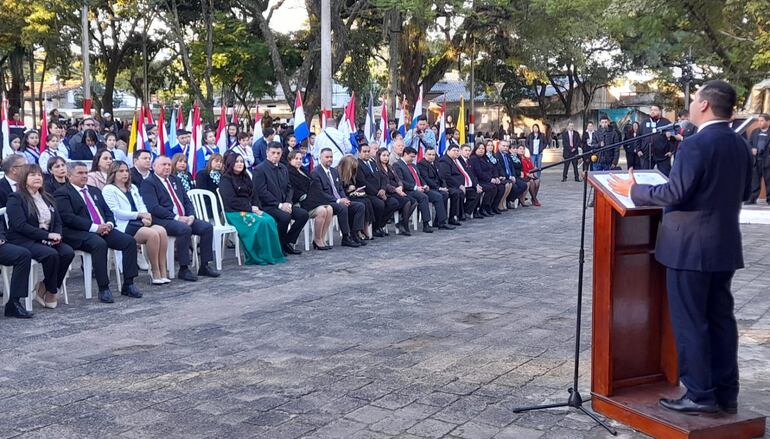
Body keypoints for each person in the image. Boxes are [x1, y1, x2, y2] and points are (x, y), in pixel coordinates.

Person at [608, 80, 751, 415]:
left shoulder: (696, 145)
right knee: (720, 320)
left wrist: (635, 189)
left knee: (690, 322)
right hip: (723, 246)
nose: (690, 104)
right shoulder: (738, 143)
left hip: (689, 247)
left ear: (703, 105)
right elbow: (744, 192)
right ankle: (725, 393)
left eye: (694, 97)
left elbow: (674, 193)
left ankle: (700, 394)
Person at [54, 162, 142, 303]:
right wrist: (95, 228)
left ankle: (129, 283)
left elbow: (107, 211)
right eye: (80, 173)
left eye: (86, 173)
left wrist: (109, 224)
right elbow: (68, 218)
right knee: (99, 244)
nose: (84, 176)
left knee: (129, 241)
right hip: (78, 232)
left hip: (103, 229)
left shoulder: (94, 190)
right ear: (69, 176)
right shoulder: (62, 193)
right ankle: (104, 288)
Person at [140, 156, 220, 282]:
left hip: (184, 218)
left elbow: (187, 200)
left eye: (168, 164)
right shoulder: (149, 183)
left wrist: (191, 215)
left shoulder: (174, 179)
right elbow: (154, 207)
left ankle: (204, 265)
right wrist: (177, 217)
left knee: (207, 227)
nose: (167, 167)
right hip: (164, 220)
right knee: (184, 229)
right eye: (163, 165)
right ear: (154, 167)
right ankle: (184, 268)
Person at [6, 164, 75, 310]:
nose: (37, 177)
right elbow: (20, 226)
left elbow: (57, 221)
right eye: (32, 175)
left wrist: (57, 235)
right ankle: (52, 291)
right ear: (24, 179)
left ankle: (46, 287)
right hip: (24, 239)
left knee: (68, 252)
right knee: (51, 255)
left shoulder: (47, 197)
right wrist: (48, 235)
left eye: (39, 175)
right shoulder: (16, 198)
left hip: (46, 238)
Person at [102, 161, 170, 284]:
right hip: (123, 224)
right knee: (152, 235)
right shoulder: (108, 189)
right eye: (121, 171)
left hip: (139, 221)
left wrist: (146, 216)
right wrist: (138, 215)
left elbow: (141, 204)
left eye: (126, 171)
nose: (125, 174)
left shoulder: (132, 187)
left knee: (161, 230)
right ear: (113, 173)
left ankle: (163, 270)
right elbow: (115, 212)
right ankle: (155, 271)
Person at [218, 153, 286, 265]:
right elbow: (230, 201)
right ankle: (259, 255)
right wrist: (250, 208)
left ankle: (272, 254)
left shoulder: (245, 177)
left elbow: (254, 195)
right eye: (237, 161)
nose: (240, 164)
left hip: (250, 209)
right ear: (230, 163)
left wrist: (256, 207)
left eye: (241, 161)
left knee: (269, 220)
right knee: (260, 222)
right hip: (234, 212)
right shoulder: (226, 179)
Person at [253, 142, 309, 255]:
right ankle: (278, 245)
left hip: (284, 204)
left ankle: (287, 242)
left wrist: (288, 202)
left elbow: (289, 188)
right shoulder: (260, 169)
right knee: (285, 217)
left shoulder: (283, 168)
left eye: (278, 153)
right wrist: (280, 205)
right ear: (267, 153)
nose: (275, 156)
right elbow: (262, 192)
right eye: (273, 153)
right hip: (268, 206)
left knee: (303, 215)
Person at [313, 148, 366, 246]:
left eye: (331, 157)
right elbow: (320, 193)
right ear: (320, 158)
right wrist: (338, 200)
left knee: (360, 206)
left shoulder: (334, 171)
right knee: (343, 207)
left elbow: (340, 188)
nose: (329, 159)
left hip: (338, 200)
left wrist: (344, 198)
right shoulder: (316, 173)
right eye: (327, 157)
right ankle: (346, 237)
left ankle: (355, 234)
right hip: (327, 202)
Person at [286, 150, 333, 250]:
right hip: (299, 202)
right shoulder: (288, 172)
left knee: (329, 209)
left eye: (300, 159)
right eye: (296, 159)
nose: (299, 161)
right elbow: (294, 191)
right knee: (322, 211)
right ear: (290, 160)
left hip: (311, 199)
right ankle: (317, 240)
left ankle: (321, 238)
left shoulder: (303, 170)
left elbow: (313, 185)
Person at [356, 143, 399, 237]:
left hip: (381, 192)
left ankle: (379, 225)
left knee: (394, 203)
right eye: (364, 151)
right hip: (369, 194)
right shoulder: (358, 165)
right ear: (359, 153)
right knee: (380, 204)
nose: (367, 153)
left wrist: (383, 189)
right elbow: (362, 182)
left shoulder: (373, 162)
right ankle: (375, 228)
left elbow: (383, 177)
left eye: (368, 151)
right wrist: (377, 193)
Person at [393, 146, 440, 233]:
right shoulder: (397, 165)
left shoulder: (413, 165)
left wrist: (425, 185)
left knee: (436, 195)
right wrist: (415, 187)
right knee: (423, 197)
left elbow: (419, 177)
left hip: (419, 188)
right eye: (411, 156)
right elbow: (401, 181)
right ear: (405, 154)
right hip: (408, 190)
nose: (413, 159)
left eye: (414, 157)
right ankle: (426, 224)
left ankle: (440, 221)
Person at [376, 148, 415, 235]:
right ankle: (405, 226)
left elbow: (398, 179)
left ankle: (401, 222)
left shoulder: (390, 166)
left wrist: (400, 187)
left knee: (414, 201)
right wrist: (396, 190)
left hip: (396, 191)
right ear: (379, 156)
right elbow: (384, 183)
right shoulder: (377, 168)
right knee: (407, 201)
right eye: (383, 155)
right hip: (387, 192)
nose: (386, 158)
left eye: (387, 155)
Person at [418, 147, 459, 227]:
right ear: (424, 154)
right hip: (429, 188)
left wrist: (444, 186)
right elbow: (426, 179)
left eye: (433, 155)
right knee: (442, 195)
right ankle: (442, 222)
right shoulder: (421, 164)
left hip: (439, 187)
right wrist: (439, 188)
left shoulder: (436, 163)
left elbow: (441, 177)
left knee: (454, 193)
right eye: (429, 154)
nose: (431, 156)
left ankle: (450, 218)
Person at [337, 155, 375, 240]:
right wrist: (348, 190)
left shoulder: (351, 174)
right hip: (343, 197)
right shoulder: (337, 174)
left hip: (350, 195)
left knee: (367, 201)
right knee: (361, 204)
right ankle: (357, 230)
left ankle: (364, 227)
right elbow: (338, 190)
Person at [438, 144, 477, 223]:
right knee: (457, 193)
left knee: (473, 192)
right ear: (448, 151)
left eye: (457, 151)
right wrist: (459, 185)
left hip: (458, 185)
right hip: (448, 185)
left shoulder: (454, 160)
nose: (456, 152)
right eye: (454, 150)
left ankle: (463, 213)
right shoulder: (445, 160)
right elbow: (446, 176)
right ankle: (453, 217)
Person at [637, 105, 673, 174]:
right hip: (646, 155)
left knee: (664, 176)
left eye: (655, 110)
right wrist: (638, 150)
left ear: (660, 111)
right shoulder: (644, 122)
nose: (652, 112)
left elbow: (673, 137)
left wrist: (671, 151)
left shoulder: (666, 122)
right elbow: (638, 137)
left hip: (663, 156)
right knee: (646, 176)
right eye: (651, 110)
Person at [468, 143, 502, 216]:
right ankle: (482, 208)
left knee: (498, 187)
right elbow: (479, 172)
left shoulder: (485, 157)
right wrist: (490, 179)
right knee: (491, 188)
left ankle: (489, 207)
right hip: (478, 180)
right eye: (479, 148)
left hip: (487, 179)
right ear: (476, 149)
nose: (481, 150)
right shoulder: (474, 158)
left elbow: (492, 168)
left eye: (483, 148)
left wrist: (496, 177)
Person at [496, 140, 528, 209]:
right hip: (505, 177)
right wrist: (509, 177)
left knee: (524, 185)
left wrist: (513, 175)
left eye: (507, 146)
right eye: (503, 146)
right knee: (515, 187)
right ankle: (505, 201)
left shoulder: (507, 155)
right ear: (499, 146)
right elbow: (500, 169)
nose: (505, 148)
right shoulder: (497, 156)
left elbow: (512, 167)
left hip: (512, 176)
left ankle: (510, 200)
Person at [747, 113, 770, 205]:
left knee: (769, 181)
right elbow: (749, 143)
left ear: (768, 121)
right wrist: (751, 149)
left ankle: (769, 199)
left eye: (762, 120)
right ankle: (752, 199)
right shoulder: (755, 132)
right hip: (756, 160)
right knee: (754, 181)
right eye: (758, 121)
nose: (759, 123)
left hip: (767, 160)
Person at [458, 144, 485, 219]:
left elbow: (473, 175)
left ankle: (468, 211)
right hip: (462, 184)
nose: (467, 152)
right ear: (461, 151)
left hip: (470, 183)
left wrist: (476, 185)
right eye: (465, 150)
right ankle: (462, 213)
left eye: (469, 150)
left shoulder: (469, 161)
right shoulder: (458, 161)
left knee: (478, 192)